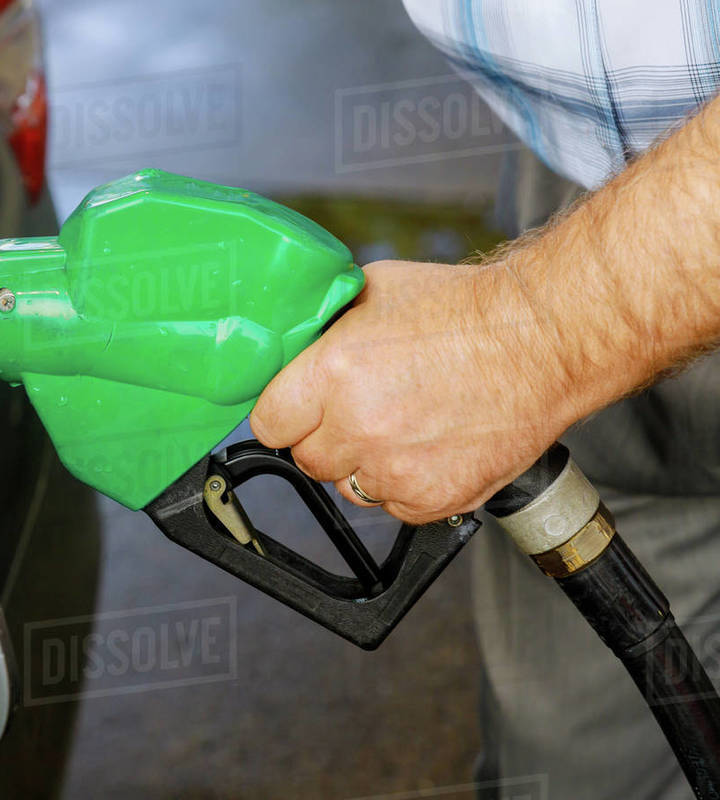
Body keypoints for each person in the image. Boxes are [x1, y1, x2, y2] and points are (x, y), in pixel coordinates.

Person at [249, 2, 720, 798]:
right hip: (586, 186)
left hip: (577, 282)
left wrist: (522, 337)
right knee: (575, 763)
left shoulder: (525, 330)